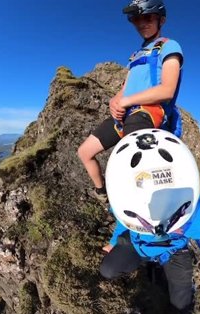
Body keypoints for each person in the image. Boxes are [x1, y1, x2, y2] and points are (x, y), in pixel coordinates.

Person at [100, 129, 200, 312]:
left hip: (173, 250)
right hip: (139, 243)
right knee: (108, 270)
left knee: (181, 307)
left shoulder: (196, 210)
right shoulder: (130, 197)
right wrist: (113, 242)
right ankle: (151, 265)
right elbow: (124, 219)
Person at [77, 0, 184, 203]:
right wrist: (115, 102)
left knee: (130, 158)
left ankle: (146, 203)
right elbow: (124, 89)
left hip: (151, 111)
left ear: (161, 20)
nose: (141, 23)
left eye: (147, 17)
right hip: (126, 113)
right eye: (136, 19)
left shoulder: (170, 46)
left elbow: (167, 90)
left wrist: (126, 101)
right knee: (85, 152)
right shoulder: (135, 56)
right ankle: (102, 194)